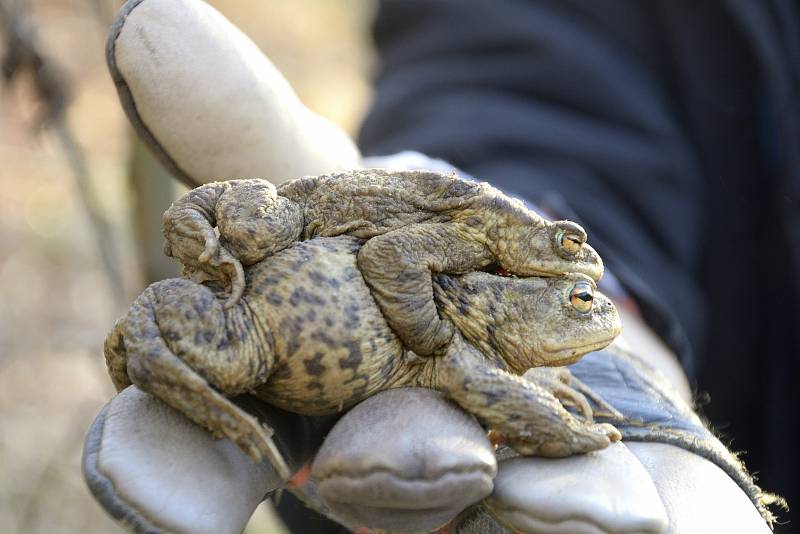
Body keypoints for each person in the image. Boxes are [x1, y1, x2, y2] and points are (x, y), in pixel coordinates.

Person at [83, 0, 790, 531]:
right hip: (282, 318)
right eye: (578, 294)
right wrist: (583, 424)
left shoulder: (471, 308)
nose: (584, 289)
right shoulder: (463, 294)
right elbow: (521, 62)